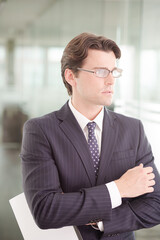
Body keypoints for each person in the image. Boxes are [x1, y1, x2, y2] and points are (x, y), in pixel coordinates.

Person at [20, 32, 160, 240]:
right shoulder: (40, 131)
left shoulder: (133, 129)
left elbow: (156, 204)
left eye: (114, 71)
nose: (111, 80)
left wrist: (101, 221)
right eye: (101, 71)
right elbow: (45, 210)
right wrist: (118, 189)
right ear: (71, 76)